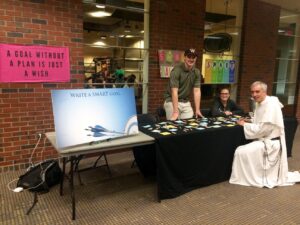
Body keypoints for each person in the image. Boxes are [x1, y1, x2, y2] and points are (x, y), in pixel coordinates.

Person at [229, 81, 300, 188]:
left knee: (240, 151)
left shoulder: (271, 105)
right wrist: (249, 121)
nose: (254, 95)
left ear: (264, 91)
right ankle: (254, 174)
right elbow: (260, 121)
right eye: (252, 92)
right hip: (264, 140)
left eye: (257, 92)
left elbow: (263, 130)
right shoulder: (260, 103)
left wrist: (245, 125)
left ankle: (253, 177)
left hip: (271, 144)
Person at [163, 48, 203, 120]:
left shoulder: (196, 72)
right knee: (173, 126)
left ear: (196, 59)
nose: (191, 59)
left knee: (188, 125)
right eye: (189, 57)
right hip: (172, 101)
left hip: (185, 102)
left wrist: (197, 109)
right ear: (184, 58)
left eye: (193, 57)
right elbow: (174, 91)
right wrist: (175, 112)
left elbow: (197, 91)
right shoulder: (176, 70)